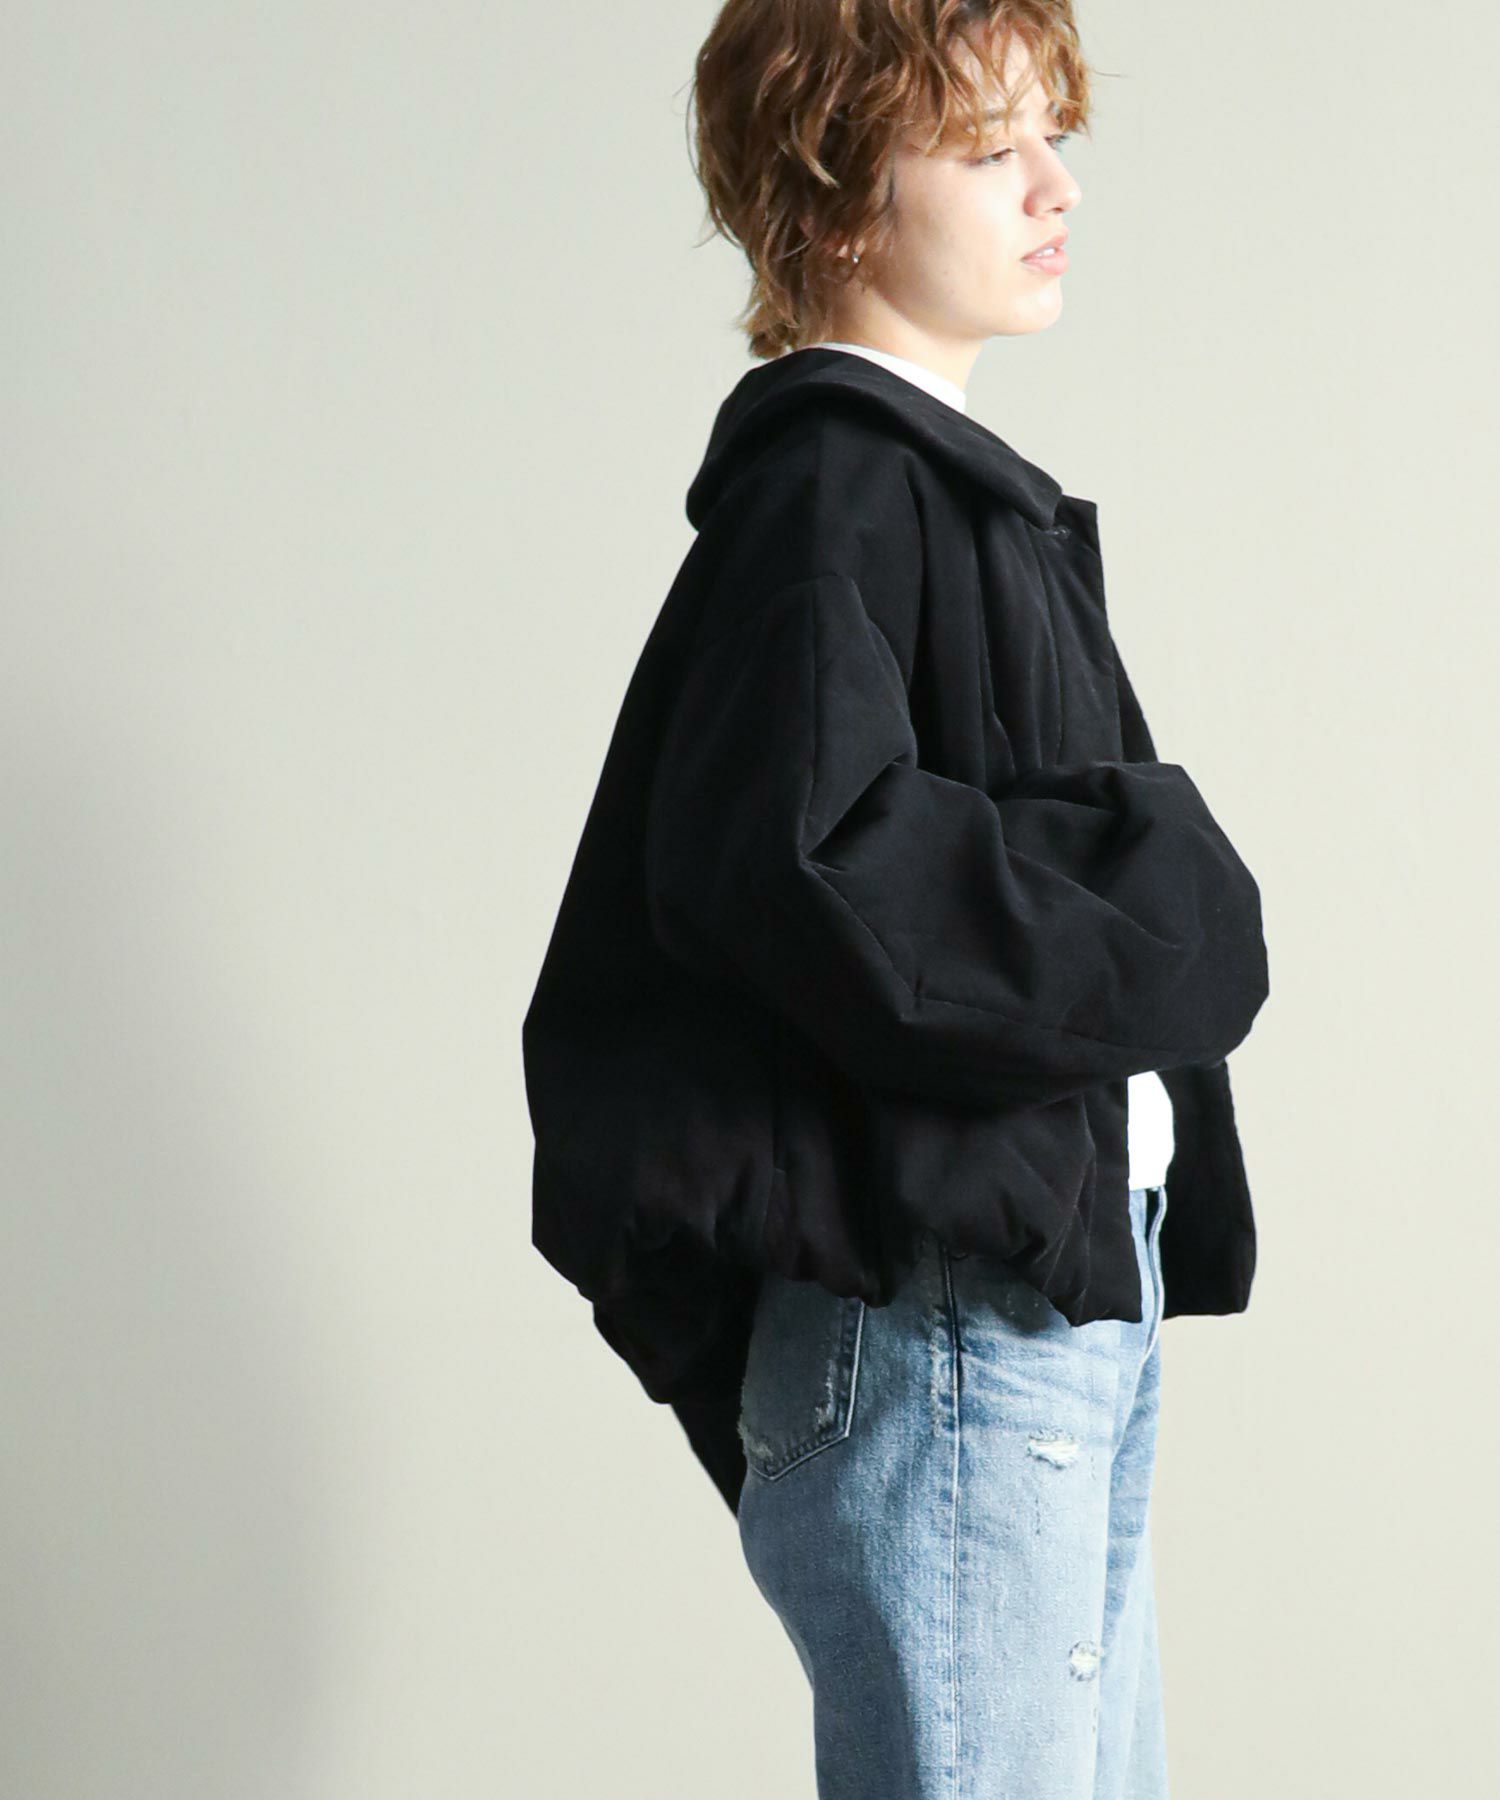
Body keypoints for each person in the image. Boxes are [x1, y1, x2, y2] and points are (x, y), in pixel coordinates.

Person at [521, 3, 1269, 1795]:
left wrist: (1144, 900)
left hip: (1040, 1297)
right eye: (990, 147)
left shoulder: (934, 495)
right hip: (948, 1311)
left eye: (1053, 136)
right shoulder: (834, 492)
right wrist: (1164, 891)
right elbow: (807, 865)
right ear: (839, 196)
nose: (1055, 186)